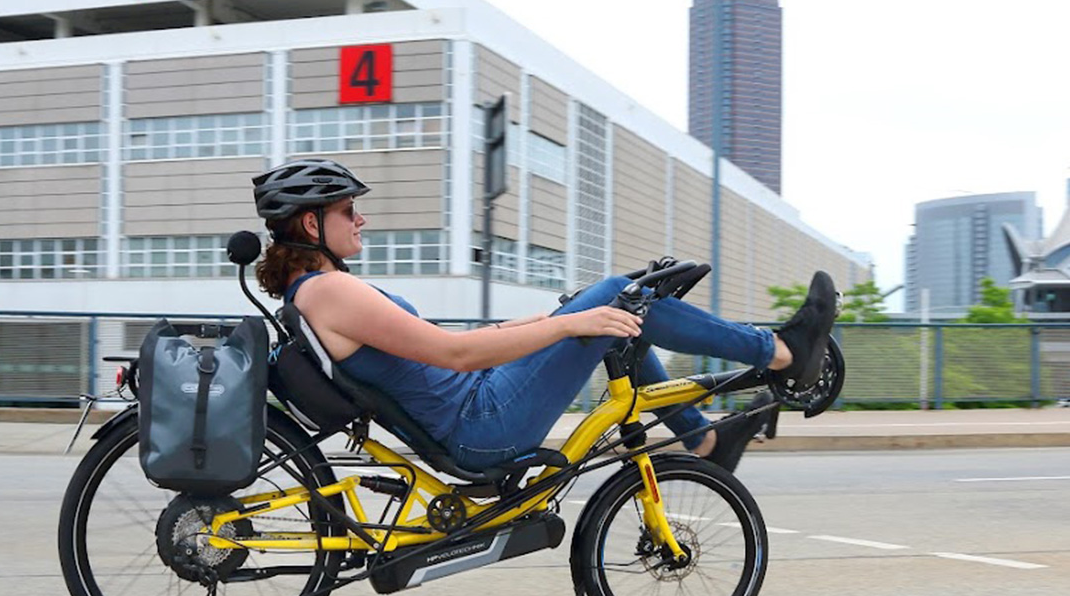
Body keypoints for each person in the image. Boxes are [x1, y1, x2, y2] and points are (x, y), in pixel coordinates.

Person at [251, 159, 837, 473]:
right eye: (350, 210)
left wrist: (537, 322)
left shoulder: (318, 292)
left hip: (477, 404)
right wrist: (564, 325)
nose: (361, 220)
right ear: (311, 224)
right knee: (614, 294)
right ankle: (783, 354)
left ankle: (703, 440)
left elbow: (443, 344)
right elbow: (453, 355)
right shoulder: (328, 291)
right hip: (481, 427)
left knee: (614, 311)